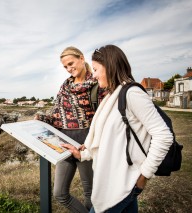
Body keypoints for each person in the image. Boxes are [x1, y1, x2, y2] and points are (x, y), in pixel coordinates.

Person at [61, 45, 173, 213]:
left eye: (97, 69)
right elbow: (109, 140)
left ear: (110, 66)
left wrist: (144, 176)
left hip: (123, 184)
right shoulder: (113, 95)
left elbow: (163, 136)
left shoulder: (132, 94)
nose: (95, 74)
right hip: (114, 181)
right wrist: (82, 154)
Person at [35, 46, 106, 212]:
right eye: (65, 66)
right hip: (64, 143)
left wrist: (94, 144)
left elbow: (104, 118)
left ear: (81, 58)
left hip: (85, 144)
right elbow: (57, 115)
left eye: (71, 63)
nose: (68, 68)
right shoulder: (65, 85)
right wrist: (42, 118)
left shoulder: (97, 84)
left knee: (90, 193)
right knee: (59, 193)